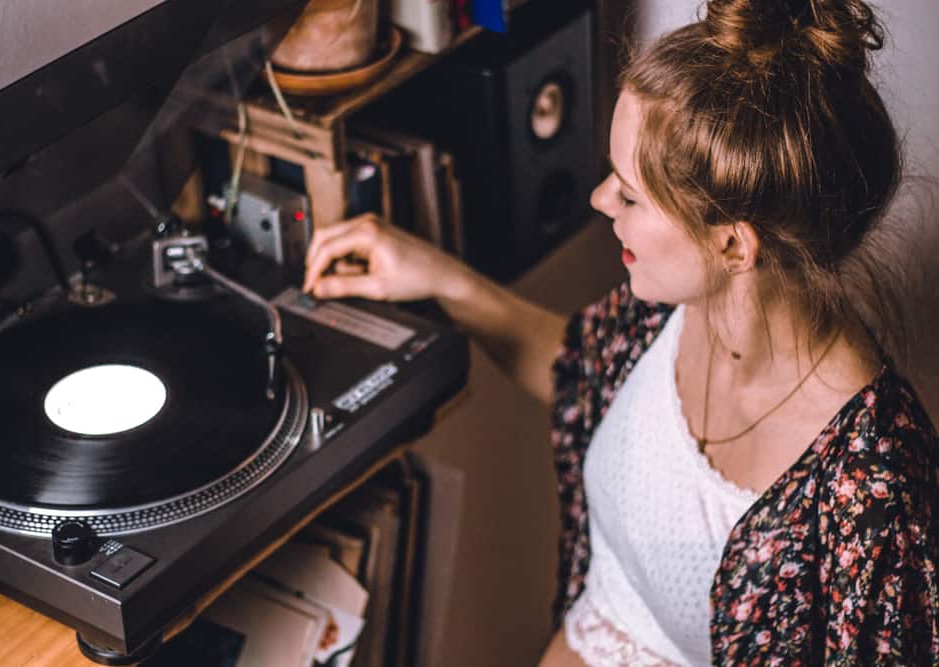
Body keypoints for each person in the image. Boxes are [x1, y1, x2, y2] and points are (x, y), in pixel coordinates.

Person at [303, 0, 939, 663]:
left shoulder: (875, 488)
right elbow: (587, 370)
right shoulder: (681, 302)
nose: (601, 200)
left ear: (731, 244)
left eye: (629, 195)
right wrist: (442, 278)